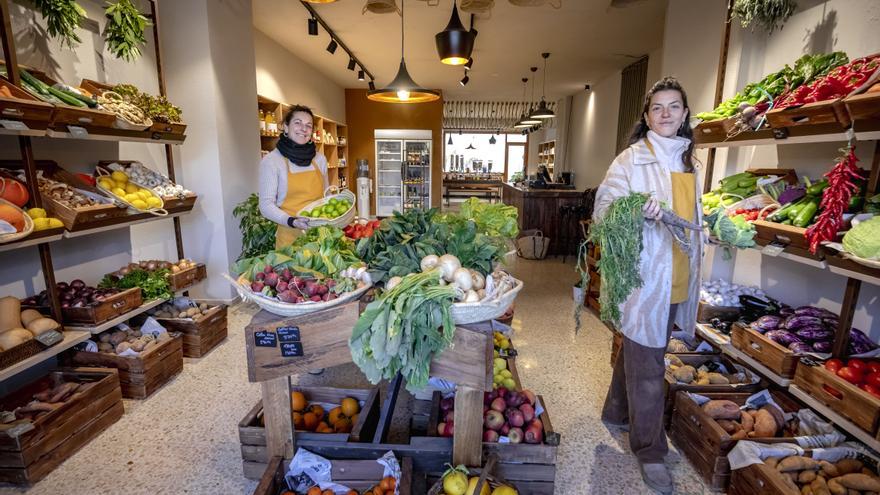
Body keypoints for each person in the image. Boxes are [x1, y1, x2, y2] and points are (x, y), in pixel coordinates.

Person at [594, 77, 703, 495]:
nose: (665, 115)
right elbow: (604, 210)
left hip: (680, 276)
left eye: (673, 106)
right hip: (646, 276)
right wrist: (635, 209)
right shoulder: (630, 160)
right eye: (657, 108)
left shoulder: (691, 162)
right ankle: (651, 451)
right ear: (646, 116)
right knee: (650, 363)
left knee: (643, 348)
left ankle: (616, 411)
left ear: (685, 113)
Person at [259, 104, 330, 249]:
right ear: (285, 127)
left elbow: (326, 195)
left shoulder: (319, 159)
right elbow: (265, 205)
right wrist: (292, 221)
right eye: (298, 123)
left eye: (308, 125)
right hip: (290, 238)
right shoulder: (272, 161)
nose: (304, 129)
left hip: (320, 236)